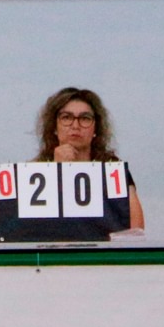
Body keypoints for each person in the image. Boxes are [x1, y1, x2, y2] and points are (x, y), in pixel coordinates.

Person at [31, 87, 145, 232]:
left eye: (85, 118)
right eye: (66, 117)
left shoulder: (112, 169)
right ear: (54, 126)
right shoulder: (34, 171)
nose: (75, 126)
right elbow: (31, 229)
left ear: (96, 129)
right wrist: (56, 171)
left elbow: (136, 228)